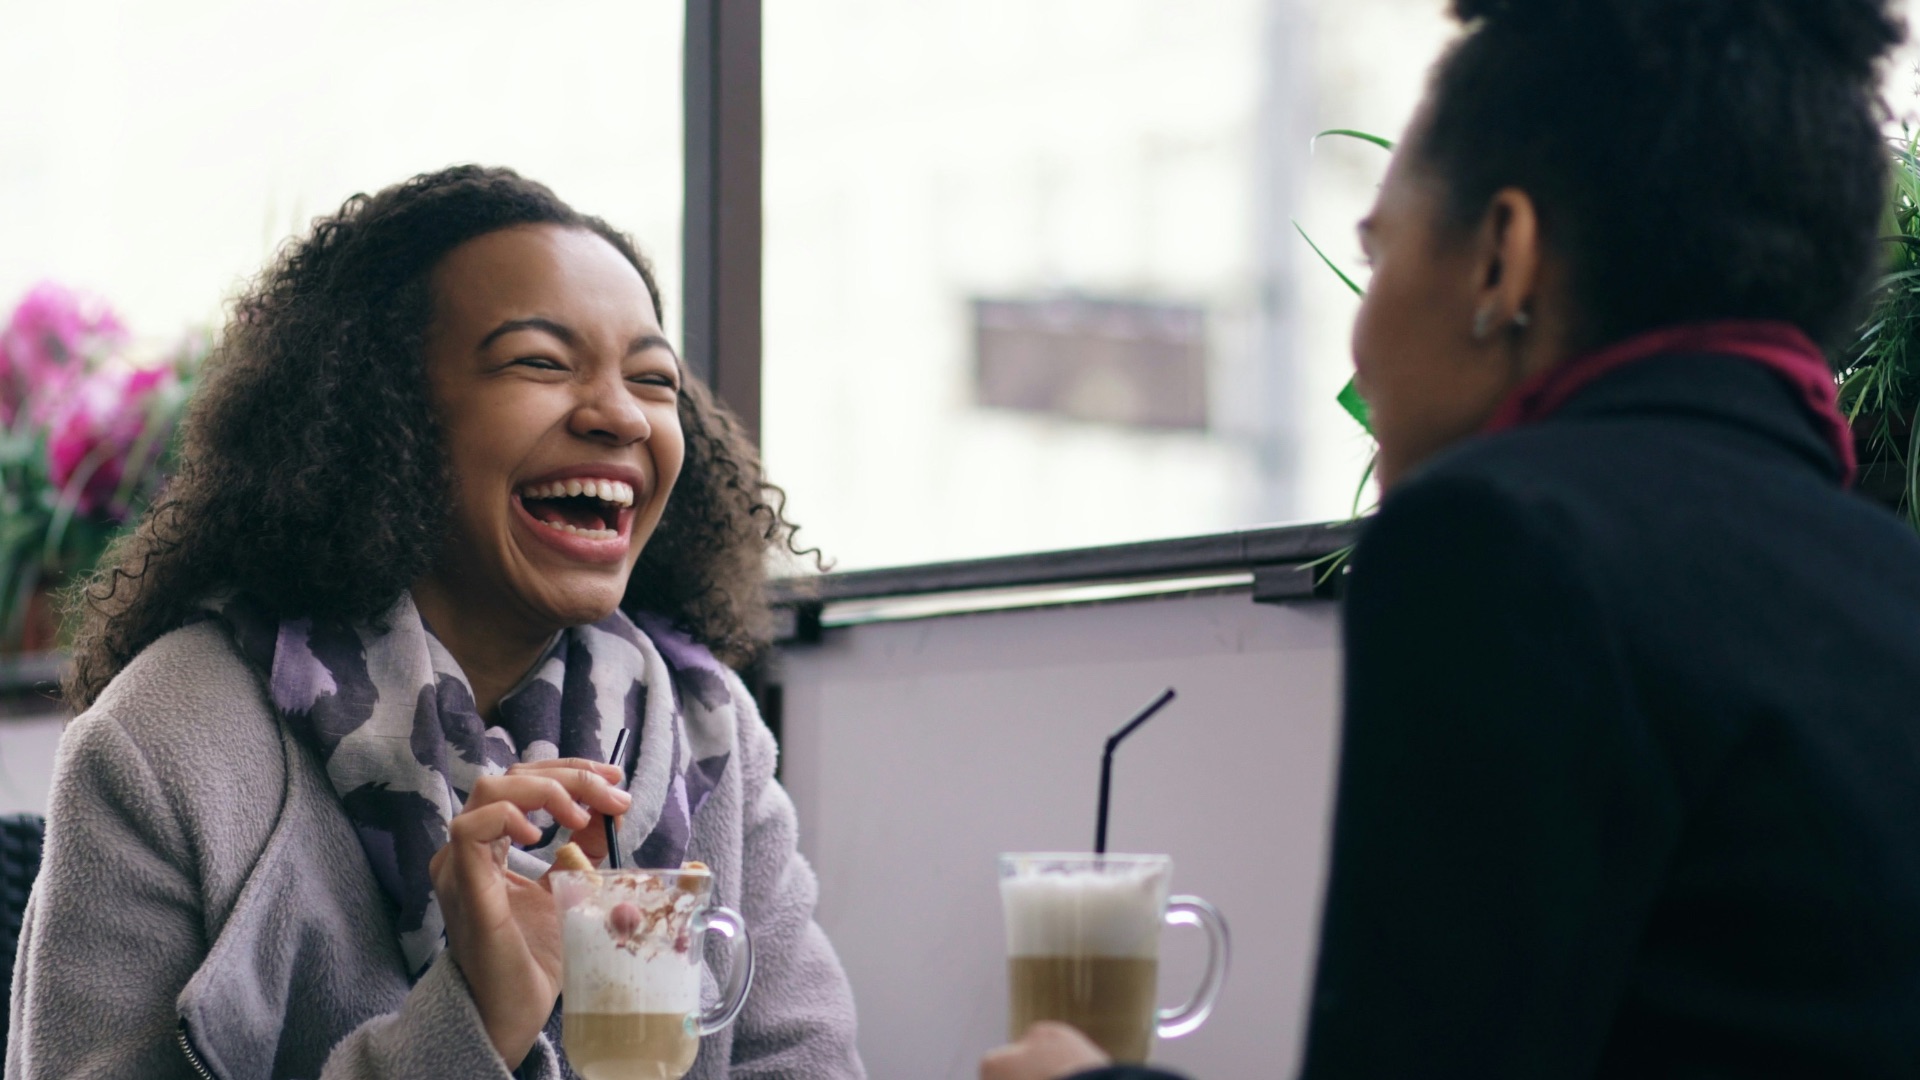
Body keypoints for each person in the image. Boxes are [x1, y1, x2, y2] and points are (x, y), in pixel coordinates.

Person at [985, 0, 1920, 1076]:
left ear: (1501, 260)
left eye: (1380, 252)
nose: (1361, 345)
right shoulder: (1888, 576)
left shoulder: (1503, 548)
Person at [7, 166, 865, 1080]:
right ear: (384, 418)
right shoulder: (166, 743)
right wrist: (471, 1022)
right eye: (539, 361)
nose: (619, 414)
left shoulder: (704, 727)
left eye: (653, 379)